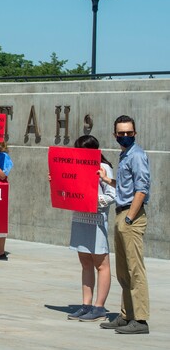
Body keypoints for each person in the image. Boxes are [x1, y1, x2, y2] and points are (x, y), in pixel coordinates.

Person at [98, 115, 151, 334]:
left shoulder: (137, 155)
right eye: (121, 133)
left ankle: (140, 319)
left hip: (131, 215)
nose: (125, 136)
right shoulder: (125, 154)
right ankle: (126, 314)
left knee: (134, 269)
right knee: (123, 270)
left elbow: (142, 189)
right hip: (123, 213)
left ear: (135, 133)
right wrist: (106, 179)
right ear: (115, 135)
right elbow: (126, 185)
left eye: (129, 133)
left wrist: (130, 217)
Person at [64, 135, 115, 322]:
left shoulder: (104, 168)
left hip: (97, 220)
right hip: (80, 218)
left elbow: (112, 194)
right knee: (85, 262)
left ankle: (99, 307)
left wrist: (94, 201)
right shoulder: (75, 166)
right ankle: (86, 304)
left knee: (101, 264)